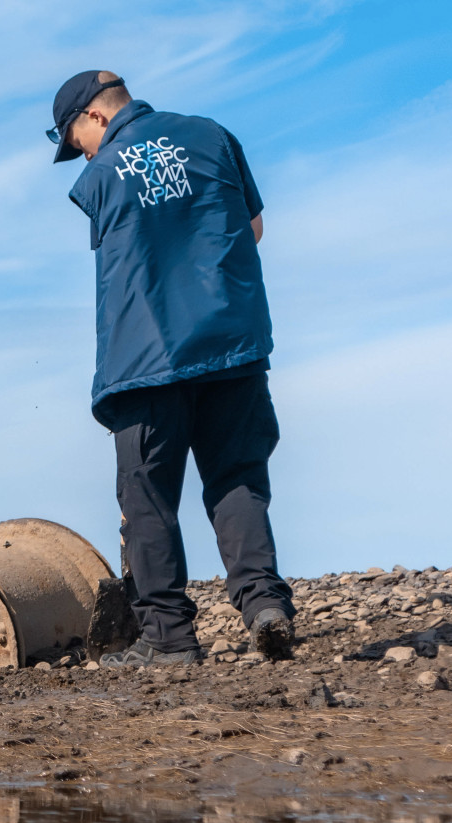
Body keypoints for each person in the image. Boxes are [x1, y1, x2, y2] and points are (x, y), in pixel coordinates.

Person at [50, 70, 296, 666]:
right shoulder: (213, 136)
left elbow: (130, 257)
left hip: (147, 359)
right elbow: (253, 228)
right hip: (230, 344)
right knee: (237, 476)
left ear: (96, 118)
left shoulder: (103, 174)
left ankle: (169, 640)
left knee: (149, 499)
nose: (80, 151)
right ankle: (264, 605)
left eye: (75, 138)